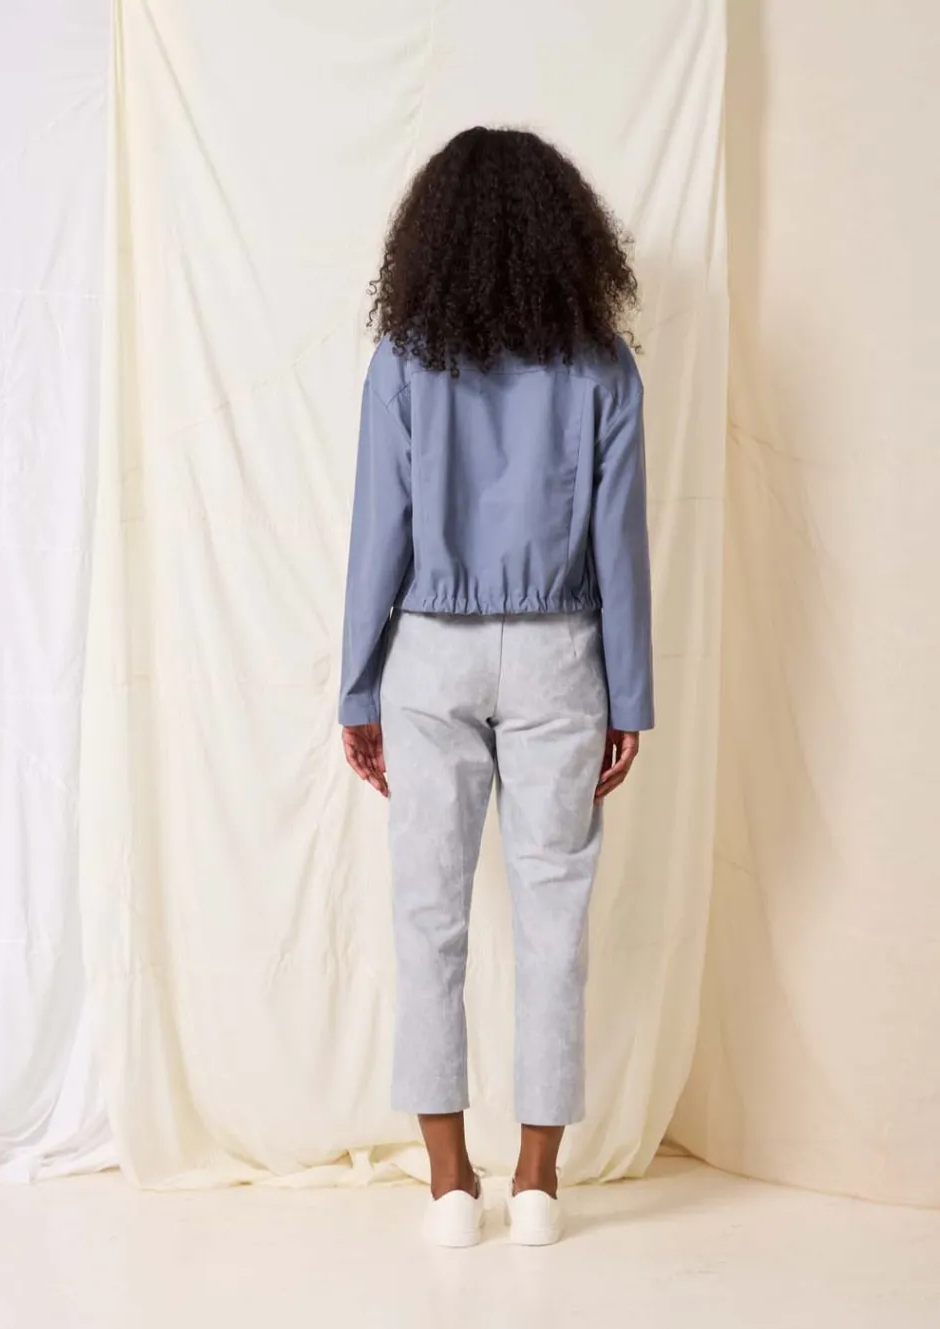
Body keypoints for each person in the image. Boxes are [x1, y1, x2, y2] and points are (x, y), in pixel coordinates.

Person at [338, 126, 654, 1247]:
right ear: (566, 235)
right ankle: (536, 1186)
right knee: (554, 917)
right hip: (564, 653)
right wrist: (630, 697)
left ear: (433, 239)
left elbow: (379, 533)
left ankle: (445, 1187)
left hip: (430, 653)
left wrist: (357, 688)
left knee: (428, 915)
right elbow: (621, 545)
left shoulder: (404, 362)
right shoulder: (603, 367)